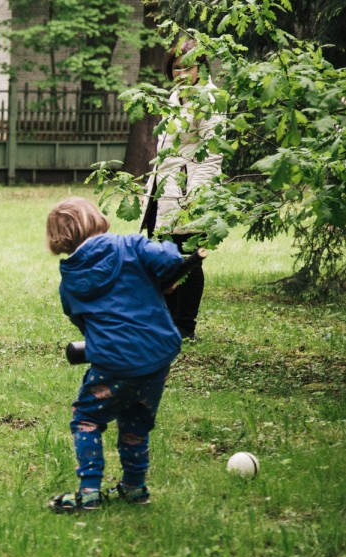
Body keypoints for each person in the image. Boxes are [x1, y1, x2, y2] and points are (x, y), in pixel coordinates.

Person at [46, 197, 186, 513]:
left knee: (87, 418)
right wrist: (165, 278)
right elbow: (169, 258)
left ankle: (90, 492)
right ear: (96, 219)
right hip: (156, 358)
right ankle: (135, 488)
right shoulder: (132, 245)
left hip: (112, 363)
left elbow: (80, 320)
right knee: (136, 420)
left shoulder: (70, 280)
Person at [140, 40, 225, 340]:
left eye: (187, 66)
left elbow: (212, 154)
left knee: (188, 261)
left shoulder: (210, 99)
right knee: (163, 259)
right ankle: (167, 324)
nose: (181, 73)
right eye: (176, 67)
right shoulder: (175, 97)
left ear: (199, 67)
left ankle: (185, 327)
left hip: (189, 194)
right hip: (163, 191)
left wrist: (196, 197)